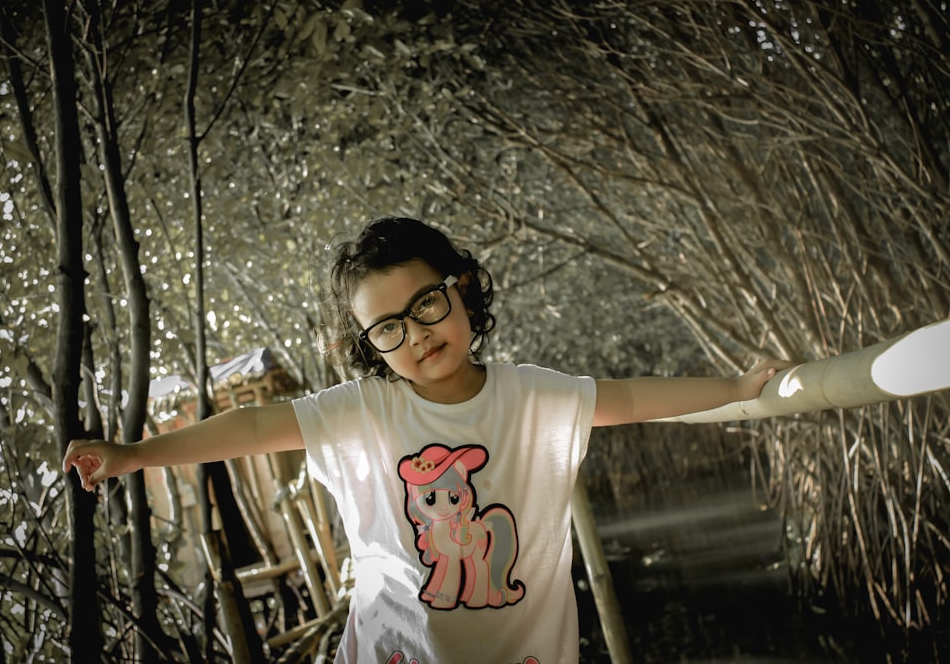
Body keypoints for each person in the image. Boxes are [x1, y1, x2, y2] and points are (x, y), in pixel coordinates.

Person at [65, 216, 787, 664]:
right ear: (370, 346)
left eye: (427, 304)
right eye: (389, 328)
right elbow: (255, 425)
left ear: (462, 289)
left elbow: (628, 398)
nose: (417, 334)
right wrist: (135, 455)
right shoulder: (366, 409)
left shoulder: (530, 393)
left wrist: (734, 387)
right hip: (397, 650)